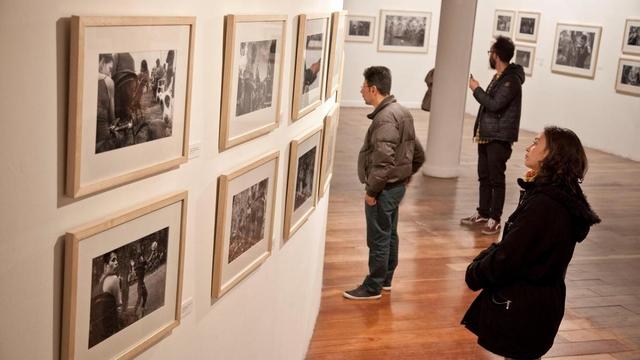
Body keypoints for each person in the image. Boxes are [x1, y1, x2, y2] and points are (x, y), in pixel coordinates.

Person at [461, 126, 601, 360]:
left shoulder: (546, 205)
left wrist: (476, 272)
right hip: (541, 303)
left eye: (536, 143)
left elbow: (511, 253)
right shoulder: (560, 196)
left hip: (526, 308)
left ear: (551, 155)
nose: (528, 147)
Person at [343, 66, 425, 300]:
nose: (360, 91)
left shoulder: (385, 118)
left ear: (373, 89)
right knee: (389, 234)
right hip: (394, 188)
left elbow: (383, 161)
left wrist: (372, 190)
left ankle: (373, 286)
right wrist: (405, 177)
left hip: (384, 189)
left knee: (378, 237)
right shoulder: (401, 112)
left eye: (363, 86)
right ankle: (386, 279)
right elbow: (417, 153)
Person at [461, 36, 525, 235]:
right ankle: (483, 212)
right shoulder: (500, 76)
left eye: (491, 53)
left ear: (496, 55)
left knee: (496, 179)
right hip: (488, 135)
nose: (490, 56)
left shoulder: (511, 80)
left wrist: (475, 89)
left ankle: (495, 219)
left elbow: (494, 105)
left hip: (499, 137)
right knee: (484, 176)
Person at [89, 251, 123, 347]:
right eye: (113, 260)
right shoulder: (114, 279)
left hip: (95, 339)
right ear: (106, 265)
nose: (117, 262)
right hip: (109, 335)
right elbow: (119, 307)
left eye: (117, 260)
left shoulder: (95, 289)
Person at [96, 54, 116, 153]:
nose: (109, 72)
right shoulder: (108, 81)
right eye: (110, 68)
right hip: (102, 128)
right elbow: (112, 114)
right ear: (103, 63)